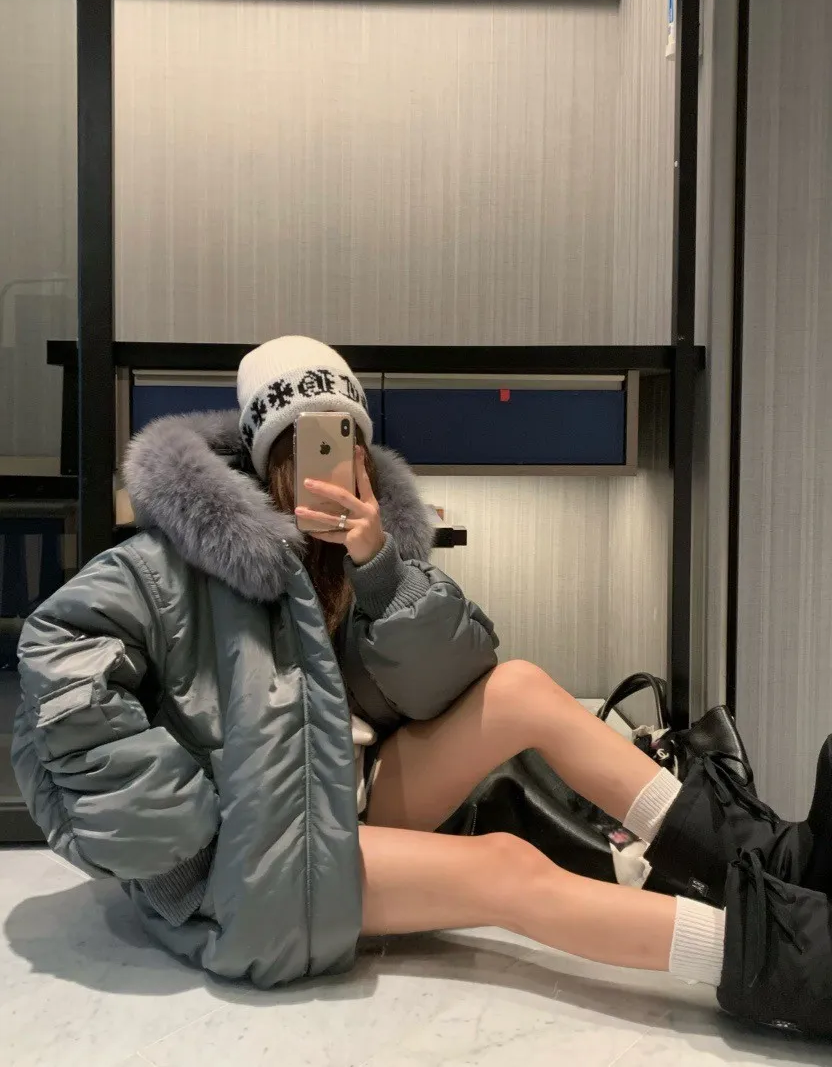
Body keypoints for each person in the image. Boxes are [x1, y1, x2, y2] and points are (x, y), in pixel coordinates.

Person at [10, 336, 832, 1036]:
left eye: (348, 438)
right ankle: (798, 962)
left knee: (519, 688)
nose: (335, 461)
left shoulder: (356, 552)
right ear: (266, 456)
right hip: (257, 855)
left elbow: (457, 678)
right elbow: (55, 655)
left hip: (348, 800)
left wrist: (379, 567)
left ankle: (768, 855)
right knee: (505, 869)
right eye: (307, 442)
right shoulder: (165, 565)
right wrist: (181, 841)